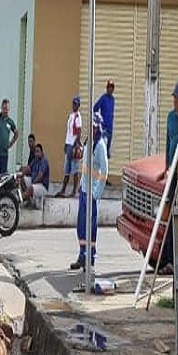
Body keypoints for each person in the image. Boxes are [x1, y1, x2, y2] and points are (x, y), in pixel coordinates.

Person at [70, 112, 109, 271]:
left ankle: (90, 259)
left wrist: (96, 193)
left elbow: (104, 172)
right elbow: (85, 166)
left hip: (92, 193)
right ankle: (82, 255)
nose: (92, 129)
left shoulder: (100, 146)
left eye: (94, 127)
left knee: (91, 228)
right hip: (84, 190)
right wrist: (80, 186)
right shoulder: (88, 142)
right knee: (81, 225)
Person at [159, 81, 178, 274]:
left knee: (176, 213)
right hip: (172, 171)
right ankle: (166, 258)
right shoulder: (170, 118)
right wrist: (166, 166)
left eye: (177, 98)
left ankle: (173, 260)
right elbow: (168, 142)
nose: (174, 101)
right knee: (167, 213)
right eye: (174, 98)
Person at [54, 95, 83, 198]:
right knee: (67, 169)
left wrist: (75, 146)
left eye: (76, 104)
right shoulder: (71, 116)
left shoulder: (78, 117)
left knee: (74, 169)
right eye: (73, 103)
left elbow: (79, 133)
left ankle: (74, 190)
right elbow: (69, 132)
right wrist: (66, 144)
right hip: (69, 144)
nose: (74, 105)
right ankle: (63, 189)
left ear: (78, 105)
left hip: (73, 145)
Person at [20, 142, 50, 209]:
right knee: (22, 179)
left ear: (42, 152)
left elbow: (40, 176)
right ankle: (29, 201)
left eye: (38, 151)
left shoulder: (44, 161)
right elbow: (28, 169)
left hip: (42, 186)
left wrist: (32, 184)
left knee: (30, 188)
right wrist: (20, 174)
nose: (36, 153)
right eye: (35, 152)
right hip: (34, 181)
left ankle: (18, 201)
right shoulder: (35, 160)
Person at [0, 99, 19, 174]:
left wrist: (11, 143)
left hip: (4, 154)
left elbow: (16, 133)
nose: (5, 111)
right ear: (1, 108)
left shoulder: (10, 122)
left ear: (9, 109)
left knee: (2, 175)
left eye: (7, 109)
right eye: (4, 108)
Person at [93, 80, 115, 159]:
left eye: (112, 88)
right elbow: (95, 108)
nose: (111, 89)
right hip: (104, 129)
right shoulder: (103, 98)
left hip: (110, 129)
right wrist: (98, 120)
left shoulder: (113, 99)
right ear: (107, 88)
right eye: (109, 87)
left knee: (107, 153)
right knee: (103, 151)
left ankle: (104, 170)